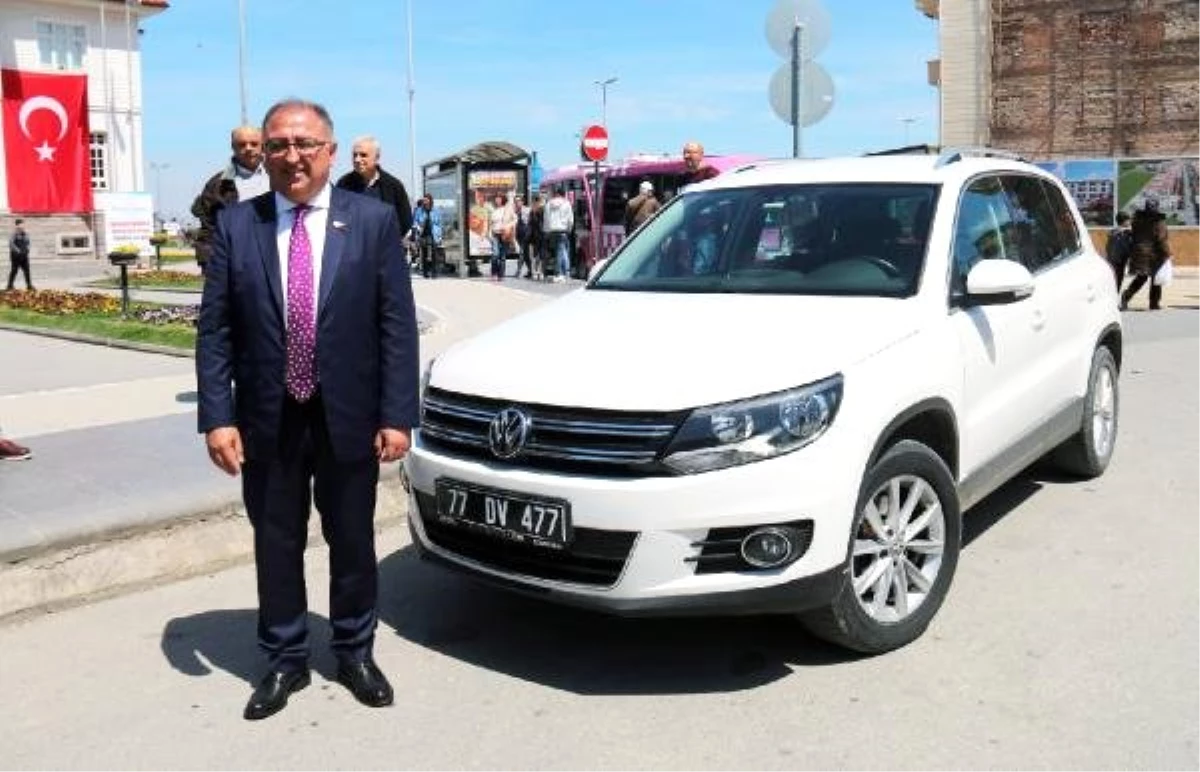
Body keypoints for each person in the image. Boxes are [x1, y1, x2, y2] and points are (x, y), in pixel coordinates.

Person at [195, 98, 420, 721]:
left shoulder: (371, 222)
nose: (291, 156)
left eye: (304, 144)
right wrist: (217, 416)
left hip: (349, 413)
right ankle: (285, 658)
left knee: (351, 538)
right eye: (277, 145)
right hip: (269, 415)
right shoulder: (239, 225)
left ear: (328, 149)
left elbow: (396, 326)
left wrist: (397, 414)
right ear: (260, 153)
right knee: (276, 541)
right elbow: (214, 330)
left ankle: (353, 651)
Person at [191, 126, 270, 274]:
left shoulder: (279, 177)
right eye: (241, 144)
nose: (248, 148)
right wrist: (208, 264)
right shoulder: (218, 184)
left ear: (263, 146)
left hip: (273, 259)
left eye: (254, 144)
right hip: (234, 263)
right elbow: (208, 230)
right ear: (233, 147)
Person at [335, 136, 414, 239]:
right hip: (353, 251)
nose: (357, 159)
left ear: (376, 158)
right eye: (354, 155)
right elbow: (336, 219)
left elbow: (405, 222)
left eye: (363, 155)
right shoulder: (343, 185)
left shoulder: (393, 186)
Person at [1120, 198, 1171, 311]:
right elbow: (1161, 239)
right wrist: (1168, 253)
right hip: (1154, 254)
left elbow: (1134, 234)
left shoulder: (1137, 220)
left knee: (1141, 278)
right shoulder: (1158, 222)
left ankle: (1126, 296)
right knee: (1156, 278)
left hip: (1138, 252)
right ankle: (1154, 303)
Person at [543, 186, 574, 282]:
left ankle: (563, 272)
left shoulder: (549, 204)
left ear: (556, 193)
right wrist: (569, 229)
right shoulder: (567, 204)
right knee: (562, 251)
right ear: (563, 194)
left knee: (560, 250)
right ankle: (562, 273)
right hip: (563, 230)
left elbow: (546, 218)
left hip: (552, 230)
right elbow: (570, 219)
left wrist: (546, 230)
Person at [410, 193, 443, 279]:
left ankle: (434, 272)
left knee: (434, 254)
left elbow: (439, 223)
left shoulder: (436, 210)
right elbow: (415, 221)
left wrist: (439, 235)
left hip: (433, 234)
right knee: (424, 253)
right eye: (424, 200)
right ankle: (425, 272)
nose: (425, 201)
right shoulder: (419, 210)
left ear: (430, 200)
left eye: (426, 199)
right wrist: (417, 227)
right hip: (423, 234)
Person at [487, 192, 516, 281]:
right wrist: (489, 234)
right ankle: (494, 273)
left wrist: (507, 226)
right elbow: (490, 224)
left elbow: (515, 220)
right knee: (495, 254)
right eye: (496, 198)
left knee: (502, 256)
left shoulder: (507, 209)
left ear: (502, 199)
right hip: (495, 234)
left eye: (499, 198)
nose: (497, 200)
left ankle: (501, 275)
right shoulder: (494, 211)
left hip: (505, 234)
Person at [1106, 211, 1133, 290]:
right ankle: (1114, 298)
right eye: (1129, 220)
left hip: (1113, 260)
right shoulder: (1124, 233)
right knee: (1117, 281)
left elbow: (1108, 247)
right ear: (1124, 221)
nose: (1130, 221)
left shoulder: (1114, 231)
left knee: (1115, 281)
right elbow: (1125, 248)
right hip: (1118, 261)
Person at [7, 218, 32, 291]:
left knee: (27, 270)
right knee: (14, 270)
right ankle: (10, 285)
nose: (23, 226)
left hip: (24, 255)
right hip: (16, 256)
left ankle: (29, 285)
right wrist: (18, 251)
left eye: (23, 224)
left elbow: (28, 242)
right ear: (17, 225)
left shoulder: (26, 233)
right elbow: (11, 244)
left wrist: (27, 249)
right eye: (21, 224)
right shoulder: (14, 234)